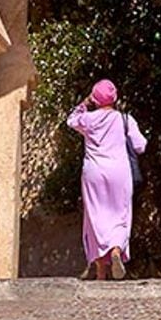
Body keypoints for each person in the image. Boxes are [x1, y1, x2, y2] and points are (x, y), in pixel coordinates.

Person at [65, 79, 147, 280]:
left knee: (96, 218)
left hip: (94, 173)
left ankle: (101, 273)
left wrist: (84, 103)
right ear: (115, 97)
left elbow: (71, 120)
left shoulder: (88, 119)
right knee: (120, 216)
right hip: (119, 173)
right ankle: (116, 250)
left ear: (95, 99)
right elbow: (140, 146)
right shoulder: (125, 119)